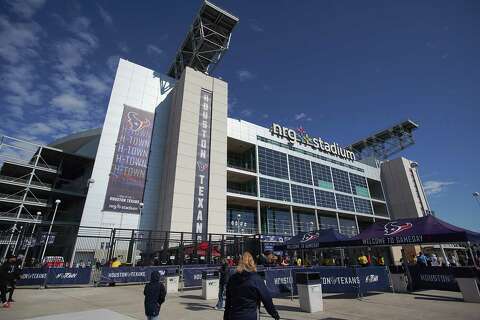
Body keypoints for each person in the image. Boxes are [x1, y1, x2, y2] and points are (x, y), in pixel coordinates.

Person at [224, 252, 279, 320]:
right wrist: (274, 314)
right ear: (252, 262)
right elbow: (266, 298)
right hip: (250, 315)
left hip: (234, 315)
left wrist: (226, 316)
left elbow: (228, 301)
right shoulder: (256, 279)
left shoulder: (232, 278)